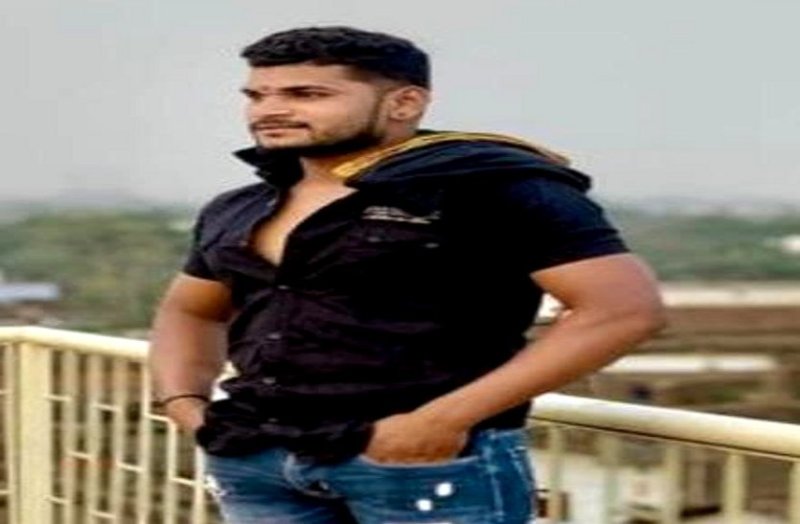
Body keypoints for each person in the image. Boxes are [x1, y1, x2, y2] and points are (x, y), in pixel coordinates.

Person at [148, 26, 665, 524]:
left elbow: (622, 311)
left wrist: (439, 422)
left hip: (418, 461)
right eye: (257, 95)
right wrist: (185, 404)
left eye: (307, 94)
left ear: (404, 103)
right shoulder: (239, 206)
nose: (271, 110)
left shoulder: (494, 189)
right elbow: (191, 310)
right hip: (255, 457)